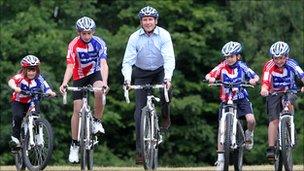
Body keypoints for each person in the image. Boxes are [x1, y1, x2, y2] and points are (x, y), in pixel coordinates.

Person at [121, 6, 175, 164]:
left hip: (160, 70)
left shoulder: (164, 35)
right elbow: (127, 61)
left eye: (150, 19)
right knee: (139, 112)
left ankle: (165, 114)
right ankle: (141, 152)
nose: (148, 22)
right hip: (141, 73)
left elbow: (169, 58)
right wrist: (127, 80)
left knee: (167, 90)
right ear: (141, 22)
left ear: (156, 21)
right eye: (145, 19)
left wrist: (168, 77)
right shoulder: (134, 37)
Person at [59, 16, 109, 163]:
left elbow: (104, 63)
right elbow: (70, 65)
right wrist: (64, 83)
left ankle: (97, 120)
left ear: (93, 32)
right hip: (79, 76)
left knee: (99, 91)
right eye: (83, 33)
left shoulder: (99, 43)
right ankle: (74, 144)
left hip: (95, 74)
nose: (87, 36)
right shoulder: (73, 44)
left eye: (89, 33)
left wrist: (105, 82)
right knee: (77, 109)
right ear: (78, 32)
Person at [205, 41, 259, 170]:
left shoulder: (242, 66)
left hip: (241, 99)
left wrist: (253, 80)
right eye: (226, 57)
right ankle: (221, 159)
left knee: (251, 120)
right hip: (226, 100)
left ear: (237, 56)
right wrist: (210, 79)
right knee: (221, 128)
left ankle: (249, 135)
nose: (229, 59)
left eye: (231, 56)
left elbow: (255, 76)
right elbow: (210, 74)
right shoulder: (222, 66)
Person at [260, 41, 304, 161]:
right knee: (274, 120)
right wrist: (264, 89)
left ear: (286, 56)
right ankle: (271, 148)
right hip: (274, 92)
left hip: (290, 90)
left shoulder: (292, 64)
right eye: (276, 58)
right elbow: (265, 80)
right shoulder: (269, 65)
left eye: (281, 58)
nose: (279, 61)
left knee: (288, 103)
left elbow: (301, 75)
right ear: (272, 57)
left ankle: (290, 124)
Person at [8, 55, 56, 150]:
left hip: (32, 101)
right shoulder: (20, 77)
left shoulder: (39, 78)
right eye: (29, 70)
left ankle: (38, 136)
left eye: (33, 70)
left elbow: (46, 87)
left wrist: (50, 92)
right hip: (19, 101)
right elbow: (11, 81)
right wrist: (15, 88)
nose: (31, 73)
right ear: (24, 70)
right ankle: (15, 139)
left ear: (37, 70)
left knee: (36, 116)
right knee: (18, 116)